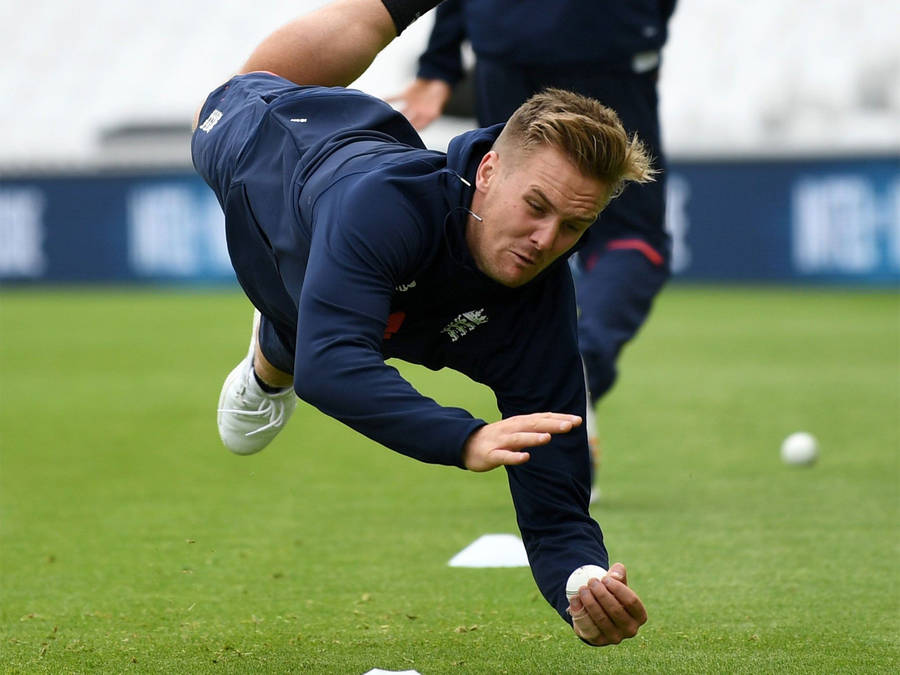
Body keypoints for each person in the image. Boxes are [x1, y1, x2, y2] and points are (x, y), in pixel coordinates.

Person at [193, 0, 652, 646]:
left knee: (345, 315)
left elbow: (556, 508)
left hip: (367, 271)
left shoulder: (543, 296)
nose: (547, 240)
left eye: (574, 226)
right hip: (280, 156)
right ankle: (278, 342)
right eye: (537, 206)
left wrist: (581, 581)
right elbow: (332, 369)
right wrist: (464, 438)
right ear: (489, 170)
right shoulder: (379, 210)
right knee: (236, 96)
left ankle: (302, 327)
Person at [394, 1, 677, 495]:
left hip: (506, 35)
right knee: (631, 238)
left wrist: (438, 63)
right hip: (612, 33)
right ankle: (579, 361)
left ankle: (550, 378)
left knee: (513, 209)